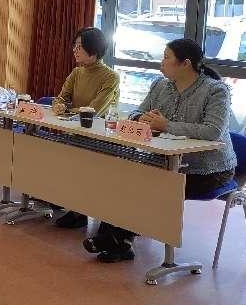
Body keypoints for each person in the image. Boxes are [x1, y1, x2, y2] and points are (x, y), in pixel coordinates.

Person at [84, 38, 235, 263]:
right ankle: (117, 240)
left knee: (151, 185)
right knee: (124, 176)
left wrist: (166, 125)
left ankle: (117, 239)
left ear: (185, 64)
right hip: (164, 162)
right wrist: (142, 119)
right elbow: (135, 113)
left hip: (209, 170)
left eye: (166, 58)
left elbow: (213, 131)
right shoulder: (160, 86)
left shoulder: (215, 91)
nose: (161, 63)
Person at [51, 27, 120, 229]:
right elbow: (61, 97)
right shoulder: (77, 72)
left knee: (81, 166)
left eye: (80, 47)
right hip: (74, 131)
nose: (75, 50)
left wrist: (66, 109)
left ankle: (80, 211)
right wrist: (59, 104)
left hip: (98, 137)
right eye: (75, 45)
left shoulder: (110, 77)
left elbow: (94, 111)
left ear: (94, 50)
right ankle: (60, 199)